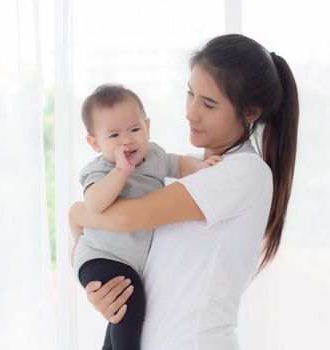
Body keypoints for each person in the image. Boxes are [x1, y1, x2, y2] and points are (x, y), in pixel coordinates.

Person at [69, 33, 299, 350]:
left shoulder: (244, 172)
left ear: (251, 112)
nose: (191, 112)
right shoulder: (184, 172)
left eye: (209, 103)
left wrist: (77, 212)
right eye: (190, 94)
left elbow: (125, 220)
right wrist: (101, 288)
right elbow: (139, 258)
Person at [72, 84, 221, 350]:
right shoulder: (100, 170)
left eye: (135, 129)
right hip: (100, 256)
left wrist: (199, 166)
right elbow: (93, 204)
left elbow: (178, 163)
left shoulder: (154, 155)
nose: (127, 140)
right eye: (114, 135)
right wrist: (120, 172)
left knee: (121, 311)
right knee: (130, 301)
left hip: (130, 262)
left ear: (147, 127)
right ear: (95, 143)